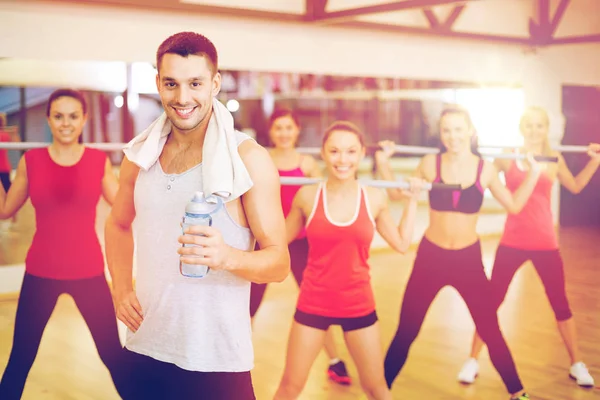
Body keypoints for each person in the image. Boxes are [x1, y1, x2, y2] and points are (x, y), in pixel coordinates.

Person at [105, 32, 290, 400]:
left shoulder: (248, 160)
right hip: (145, 348)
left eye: (195, 83)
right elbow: (117, 224)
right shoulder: (138, 157)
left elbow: (279, 262)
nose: (182, 97)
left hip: (217, 362)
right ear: (158, 83)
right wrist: (121, 286)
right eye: (171, 83)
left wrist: (228, 257)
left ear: (215, 84)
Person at [377, 105, 540, 400]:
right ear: (441, 135)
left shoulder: (485, 168)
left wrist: (535, 174)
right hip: (431, 257)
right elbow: (395, 194)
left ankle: (518, 392)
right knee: (407, 330)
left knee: (490, 328)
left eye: (458, 129)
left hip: (468, 260)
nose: (452, 136)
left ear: (470, 131)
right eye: (446, 130)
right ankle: (379, 391)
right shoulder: (430, 163)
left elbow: (514, 205)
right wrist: (383, 163)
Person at [273, 121, 424, 400]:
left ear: (362, 153)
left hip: (358, 303)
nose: (342, 160)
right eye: (335, 151)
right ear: (323, 153)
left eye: (350, 152)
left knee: (376, 387)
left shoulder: (374, 198)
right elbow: (278, 239)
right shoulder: (307, 197)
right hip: (313, 302)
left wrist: (412, 201)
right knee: (290, 386)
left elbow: (402, 243)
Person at [457, 106, 600, 387]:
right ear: (522, 128)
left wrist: (595, 162)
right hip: (512, 241)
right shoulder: (508, 156)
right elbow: (480, 173)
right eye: (529, 126)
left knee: (560, 305)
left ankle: (576, 363)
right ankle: (472, 359)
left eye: (540, 126)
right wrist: (467, 148)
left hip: (545, 242)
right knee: (491, 303)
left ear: (547, 129)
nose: (534, 131)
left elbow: (575, 187)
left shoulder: (553, 158)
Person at [0, 89, 124, 399]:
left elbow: (125, 208)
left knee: (113, 356)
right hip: (41, 273)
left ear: (84, 119)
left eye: (72, 116)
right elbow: (5, 210)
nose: (65, 123)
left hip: (89, 273)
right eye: (58, 116)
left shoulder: (98, 161)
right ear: (48, 120)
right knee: (21, 358)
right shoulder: (32, 161)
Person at [251, 108, 352, 385]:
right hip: (266, 241)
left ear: (296, 131)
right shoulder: (262, 160)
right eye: (278, 128)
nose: (284, 133)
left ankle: (334, 360)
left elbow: (321, 200)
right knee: (248, 304)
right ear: (271, 132)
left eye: (288, 128)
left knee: (315, 302)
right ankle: (237, 359)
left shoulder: (307, 164)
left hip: (300, 243)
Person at [0, 113, 20, 224]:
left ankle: (13, 215)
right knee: (9, 194)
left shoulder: (4, 134)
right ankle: (14, 216)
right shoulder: (5, 134)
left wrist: (13, 132)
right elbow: (17, 143)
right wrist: (14, 133)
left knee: (9, 193)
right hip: (4, 169)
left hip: (3, 169)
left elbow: (17, 144)